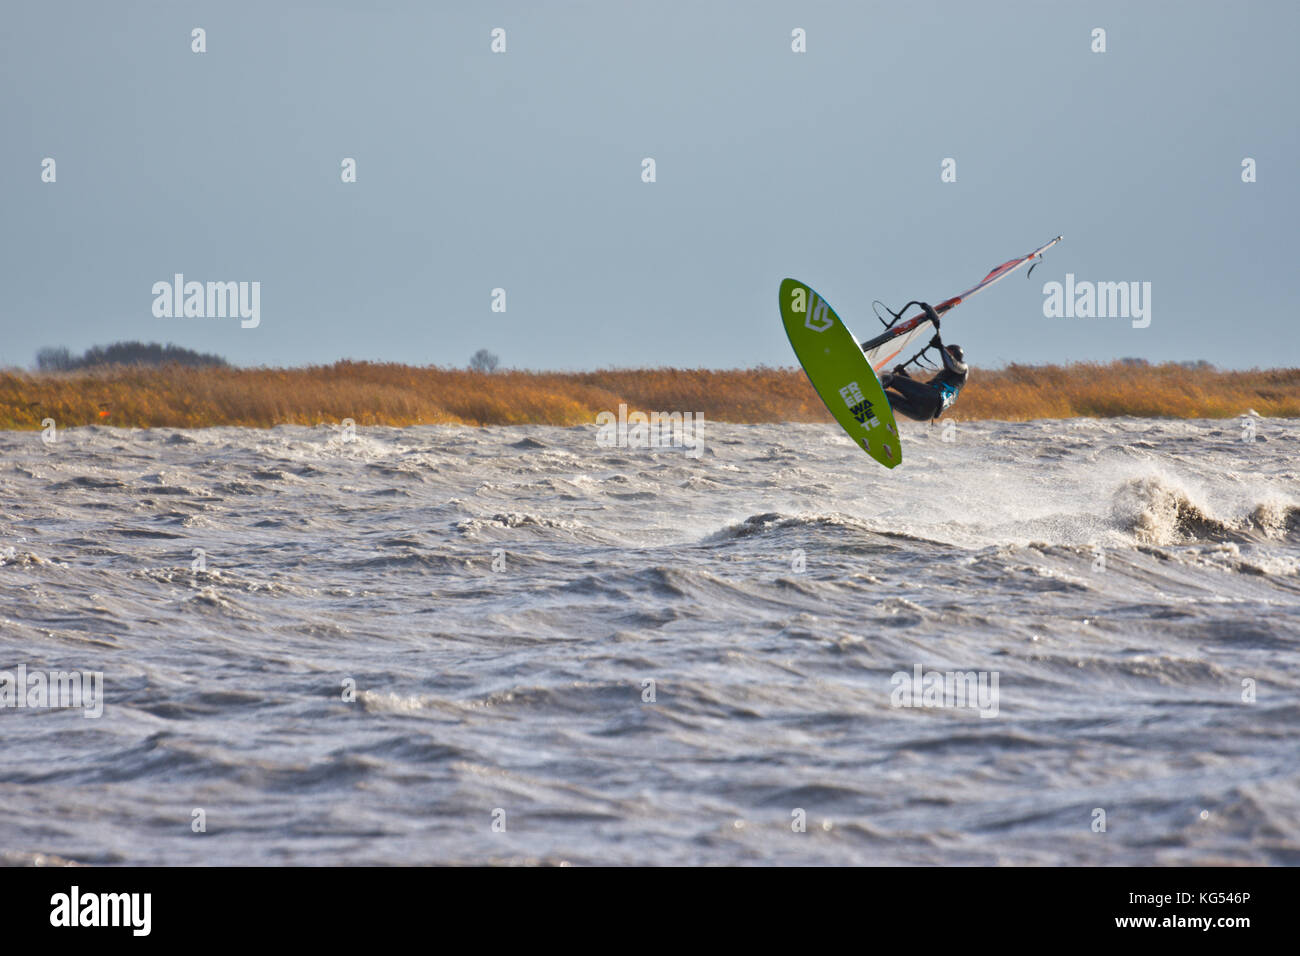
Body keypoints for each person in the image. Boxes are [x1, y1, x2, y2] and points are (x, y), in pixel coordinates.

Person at [874, 303, 968, 422]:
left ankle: (867, 391)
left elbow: (951, 364)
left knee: (889, 378)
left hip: (931, 398)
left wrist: (941, 347)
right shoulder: (948, 380)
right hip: (925, 413)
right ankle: (885, 426)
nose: (946, 355)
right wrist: (903, 374)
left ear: (955, 354)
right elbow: (919, 393)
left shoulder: (963, 368)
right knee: (886, 397)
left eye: (949, 352)